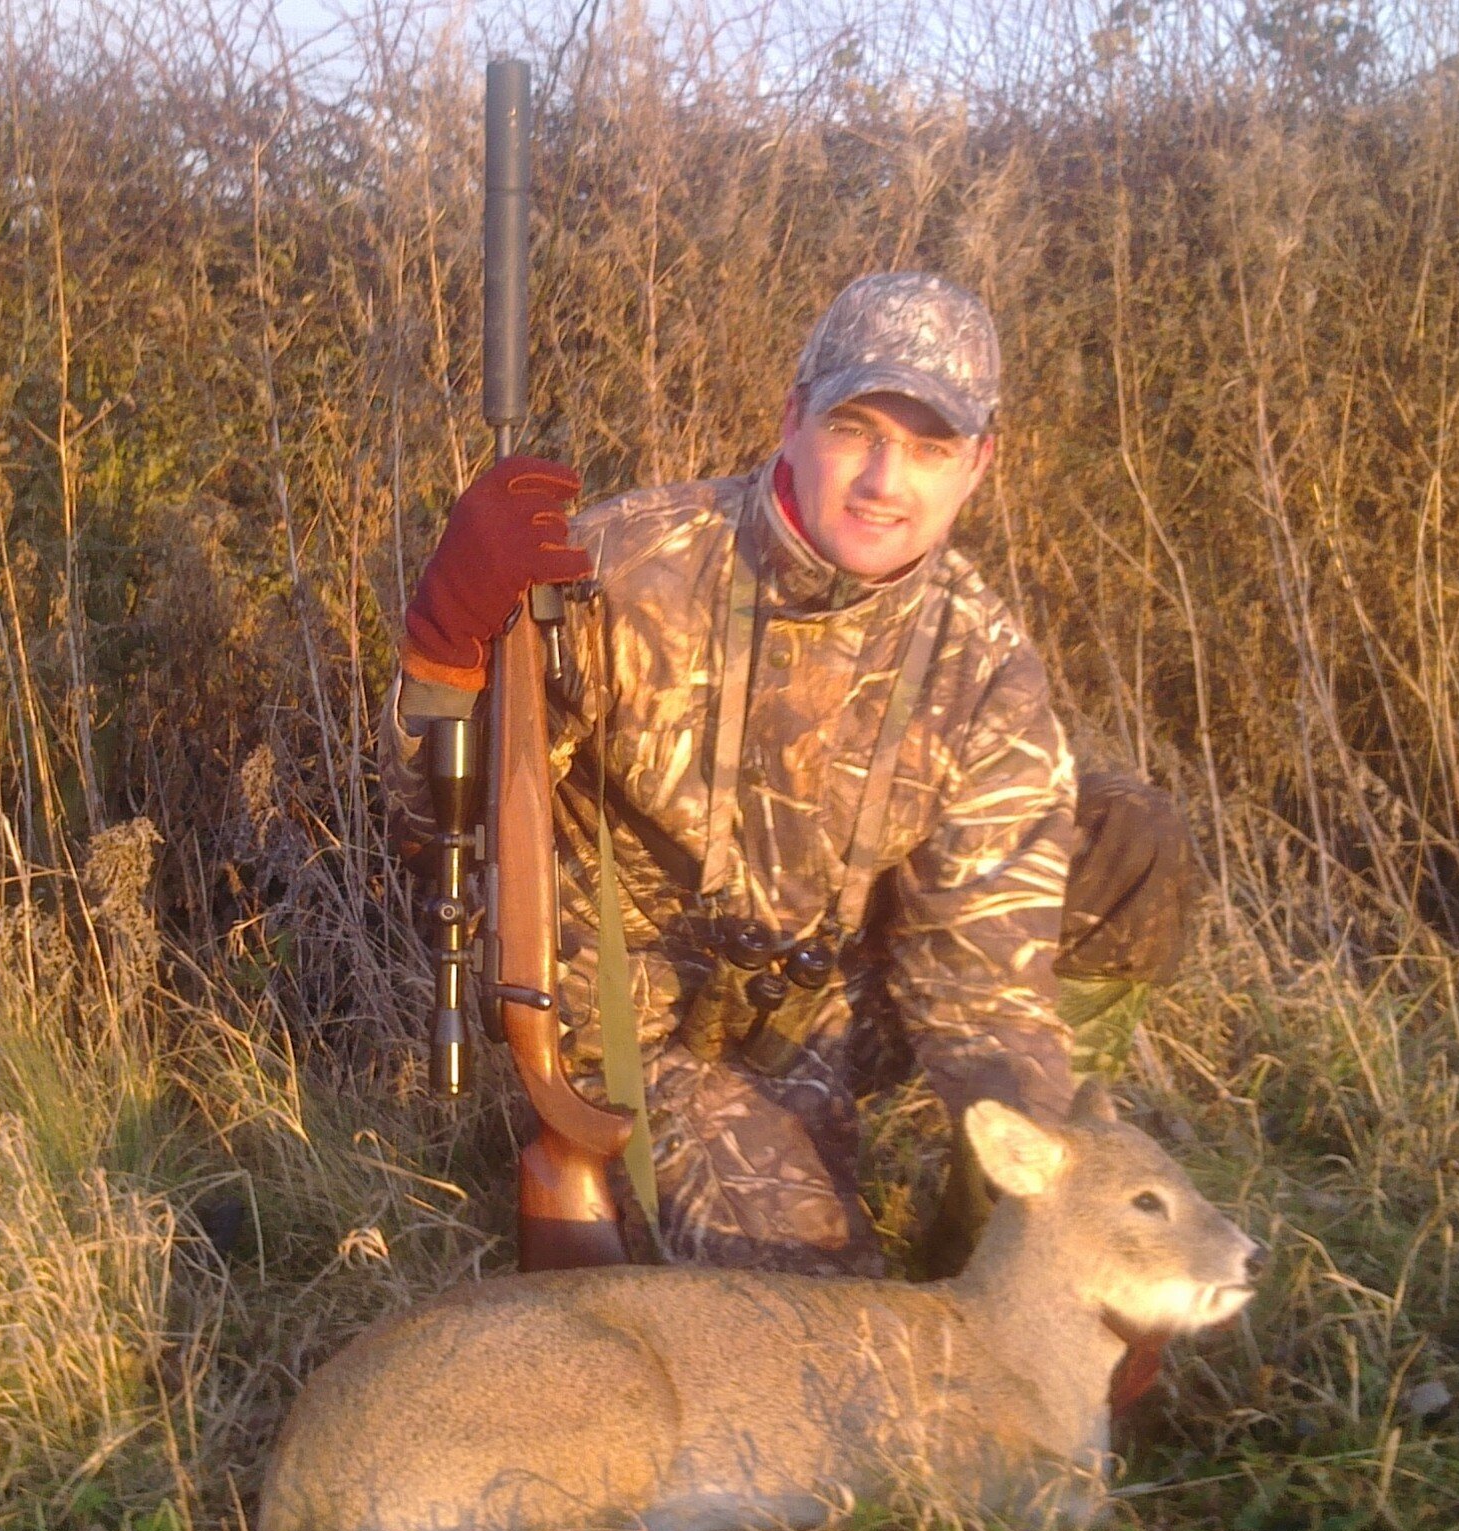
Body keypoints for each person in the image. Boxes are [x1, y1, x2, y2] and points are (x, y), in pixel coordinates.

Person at [386, 272, 1197, 1276]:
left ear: (979, 464)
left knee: (1125, 836)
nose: (884, 481)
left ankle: (985, 1245)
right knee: (814, 1327)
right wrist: (445, 651)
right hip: (638, 1033)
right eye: (855, 428)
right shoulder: (612, 569)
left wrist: (1064, 1210)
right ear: (790, 420)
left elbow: (981, 985)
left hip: (828, 1009)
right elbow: (431, 824)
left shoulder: (981, 663)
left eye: (930, 447)